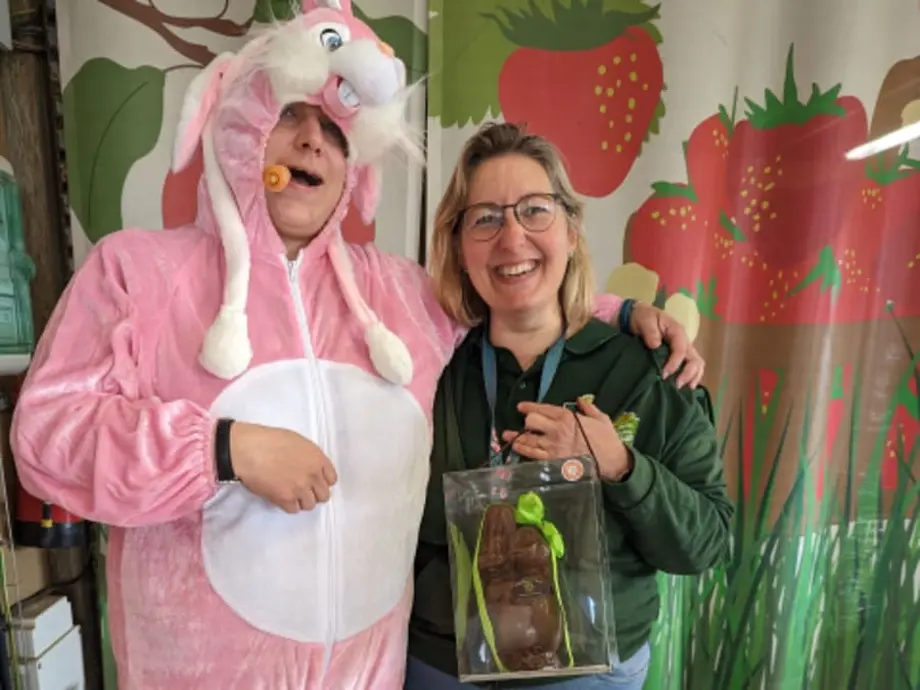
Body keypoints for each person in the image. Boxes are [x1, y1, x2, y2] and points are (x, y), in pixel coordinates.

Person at [11, 5, 703, 690]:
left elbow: (512, 290)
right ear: (239, 124)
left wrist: (622, 312)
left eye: (336, 131)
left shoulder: (399, 296)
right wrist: (223, 450)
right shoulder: (138, 273)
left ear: (352, 169)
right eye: (289, 114)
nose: (313, 141)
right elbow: (47, 435)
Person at [407, 122, 734, 690]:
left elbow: (705, 543)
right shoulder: (426, 367)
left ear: (572, 230)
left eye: (535, 210)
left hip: (588, 673)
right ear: (458, 246)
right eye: (485, 218)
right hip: (441, 667)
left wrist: (620, 467)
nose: (512, 238)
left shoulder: (648, 371)